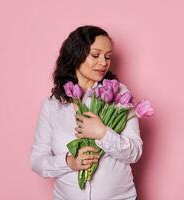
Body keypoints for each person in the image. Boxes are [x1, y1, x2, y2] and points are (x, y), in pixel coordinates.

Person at [30, 25, 143, 200]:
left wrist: (103, 133)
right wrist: (69, 162)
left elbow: (135, 153)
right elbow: (37, 160)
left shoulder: (119, 94)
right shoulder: (52, 105)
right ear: (76, 54)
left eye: (108, 57)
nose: (104, 63)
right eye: (95, 55)